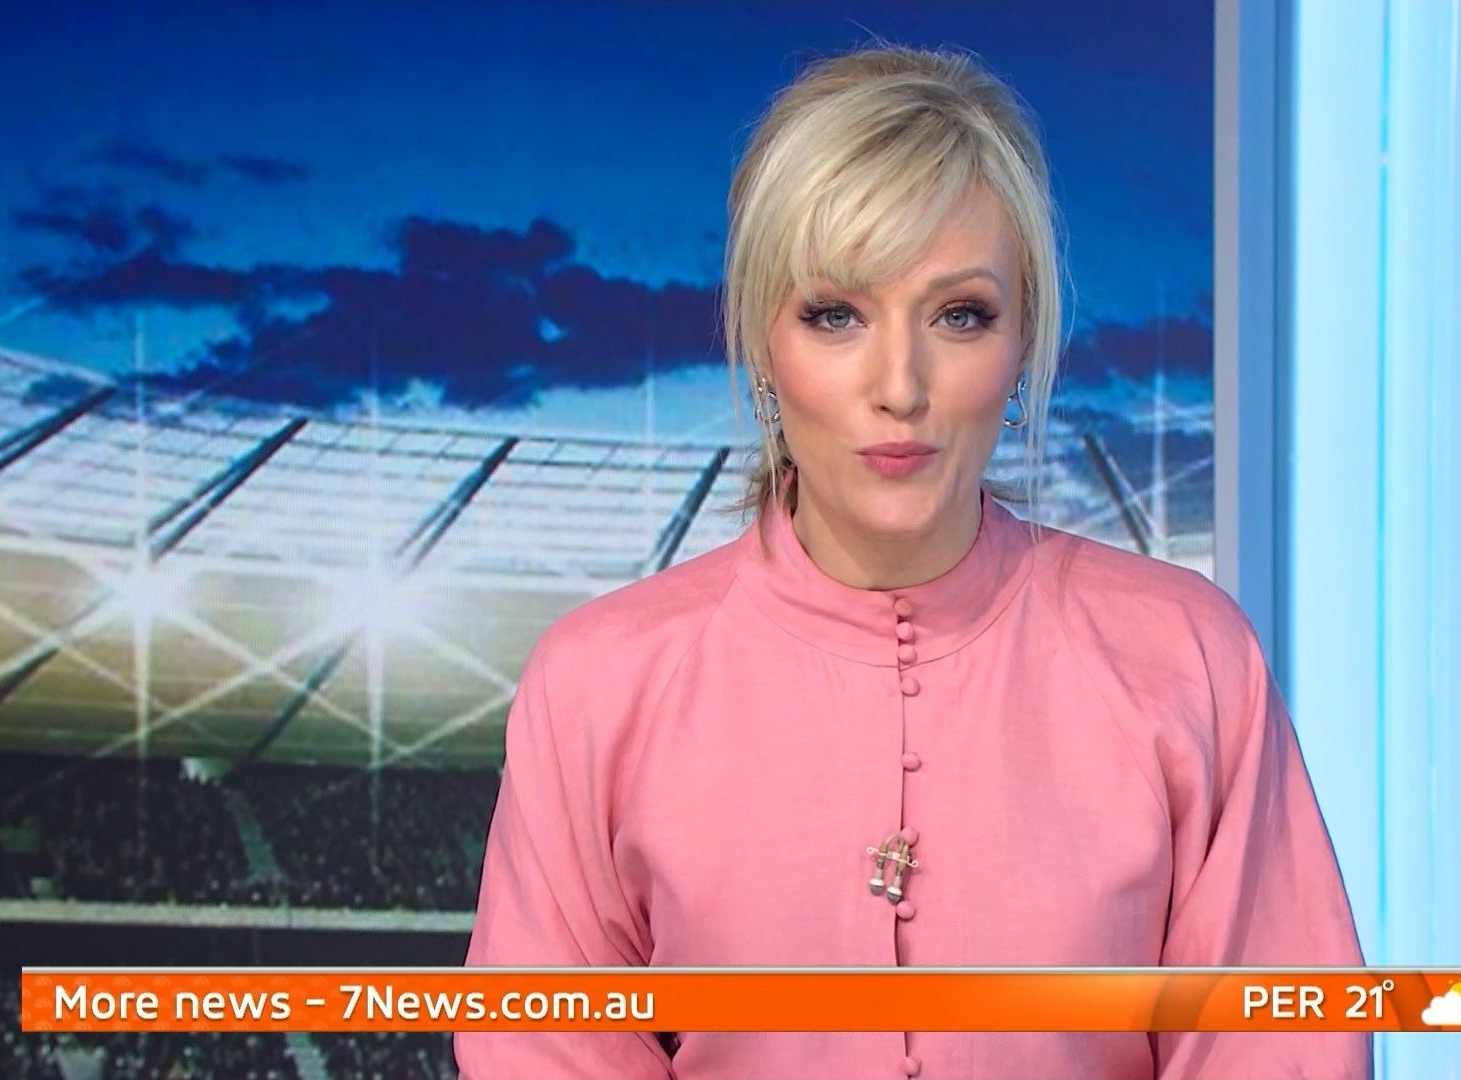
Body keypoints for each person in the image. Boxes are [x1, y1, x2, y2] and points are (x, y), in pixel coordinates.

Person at [457, 42, 1369, 1080]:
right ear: (762, 345)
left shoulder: (1187, 658)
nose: (901, 384)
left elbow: (1281, 1045)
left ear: (1021, 344)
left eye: (959, 315)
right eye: (835, 314)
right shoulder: (597, 685)